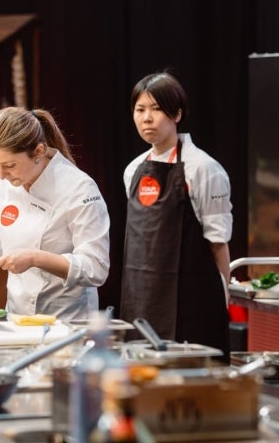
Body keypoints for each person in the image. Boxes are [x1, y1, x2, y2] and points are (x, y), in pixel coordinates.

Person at [0, 107, 110, 321]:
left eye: (9, 165)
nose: (1, 175)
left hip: (68, 322)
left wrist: (36, 258)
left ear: (39, 151)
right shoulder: (4, 185)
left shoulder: (79, 188)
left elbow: (96, 267)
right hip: (17, 319)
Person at [120, 71, 232, 356]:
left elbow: (218, 243)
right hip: (140, 298)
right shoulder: (132, 170)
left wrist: (224, 298)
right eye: (140, 109)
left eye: (156, 109)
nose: (146, 118)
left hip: (192, 301)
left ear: (177, 114)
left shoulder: (204, 168)